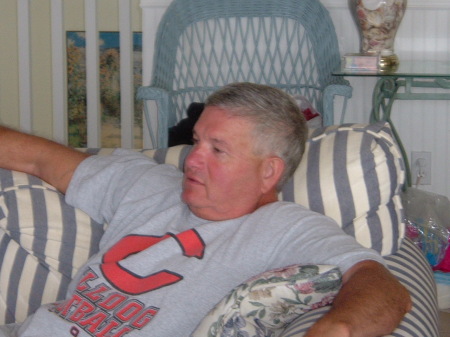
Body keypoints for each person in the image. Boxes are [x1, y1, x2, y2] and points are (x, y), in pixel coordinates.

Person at [0, 82, 411, 337]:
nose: (192, 160)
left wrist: (335, 329)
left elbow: (382, 286)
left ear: (269, 171)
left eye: (218, 150)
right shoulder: (145, 183)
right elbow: (38, 159)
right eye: (196, 141)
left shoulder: (285, 228)